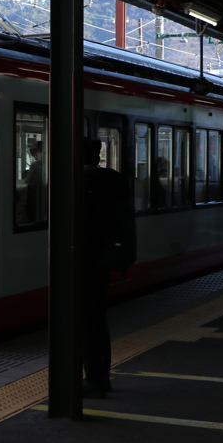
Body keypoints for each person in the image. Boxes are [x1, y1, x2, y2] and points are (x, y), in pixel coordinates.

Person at [81, 138, 136, 398]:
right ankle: (99, 376)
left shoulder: (79, 183)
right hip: (103, 260)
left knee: (82, 323)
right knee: (97, 321)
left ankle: (93, 380)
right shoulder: (114, 179)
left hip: (82, 262)